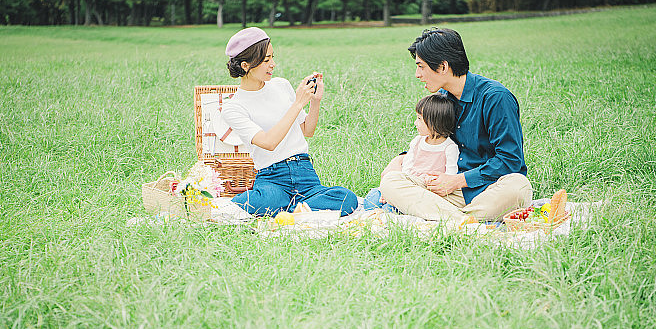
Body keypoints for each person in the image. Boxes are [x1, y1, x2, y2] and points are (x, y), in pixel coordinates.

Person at [379, 28, 533, 224]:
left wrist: (457, 181)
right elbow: (432, 138)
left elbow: (510, 160)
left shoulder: (495, 97)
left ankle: (449, 219)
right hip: (445, 190)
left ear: (443, 67)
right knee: (391, 182)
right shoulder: (441, 100)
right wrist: (398, 160)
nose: (417, 74)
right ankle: (464, 221)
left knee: (519, 187)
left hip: (489, 189)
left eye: (421, 66)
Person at [220, 27, 358, 217]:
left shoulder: (281, 85)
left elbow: (307, 130)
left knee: (347, 199)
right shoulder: (234, 107)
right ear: (245, 65)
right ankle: (300, 209)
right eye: (266, 60)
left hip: (305, 174)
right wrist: (299, 102)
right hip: (272, 179)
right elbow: (268, 142)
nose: (273, 64)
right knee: (255, 202)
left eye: (272, 57)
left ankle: (289, 210)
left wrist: (315, 102)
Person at [364, 94, 459, 212]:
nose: (415, 123)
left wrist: (433, 182)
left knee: (392, 208)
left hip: (424, 189)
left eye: (419, 119)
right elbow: (407, 167)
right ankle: (390, 201)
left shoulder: (449, 148)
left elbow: (450, 175)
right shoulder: (417, 141)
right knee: (371, 200)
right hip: (407, 182)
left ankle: (393, 205)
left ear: (434, 123)